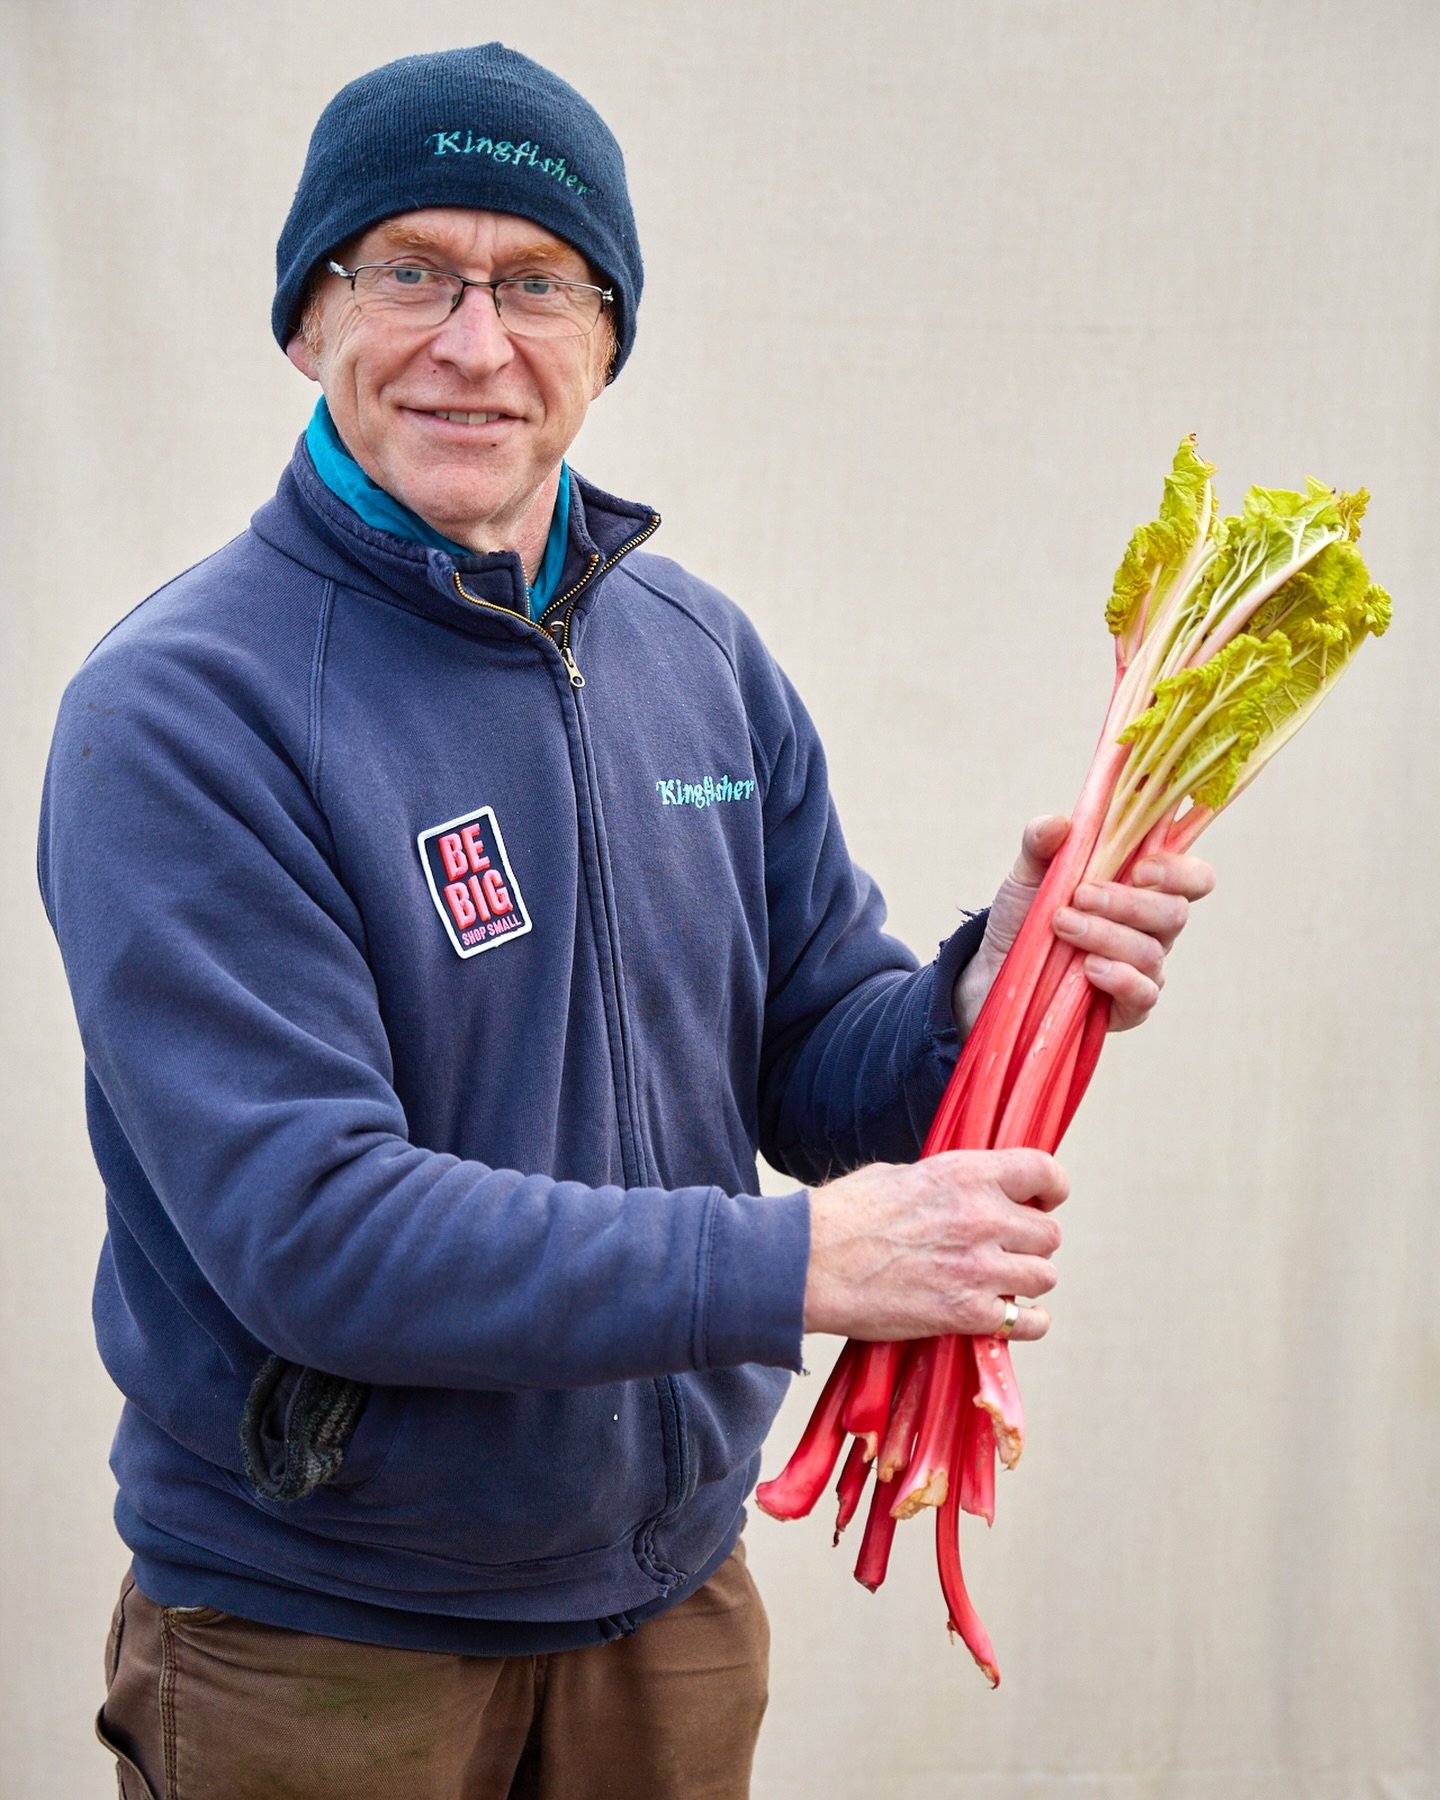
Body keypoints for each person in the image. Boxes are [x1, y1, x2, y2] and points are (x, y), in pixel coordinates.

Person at [39, 43, 1212, 1800]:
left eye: (538, 283)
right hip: (325, 1639)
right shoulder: (184, 712)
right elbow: (313, 1231)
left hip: (671, 1609)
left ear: (607, 338)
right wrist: (796, 1266)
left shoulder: (698, 655)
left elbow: (817, 1066)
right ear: (307, 318)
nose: (474, 343)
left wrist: (988, 986)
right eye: (411, 270)